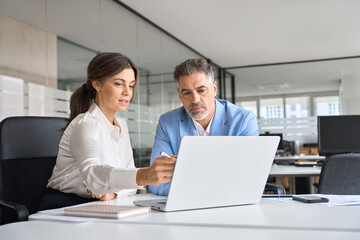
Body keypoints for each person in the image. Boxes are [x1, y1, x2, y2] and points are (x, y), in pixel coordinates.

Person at [38, 52, 176, 210]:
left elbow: (130, 186)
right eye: (119, 84)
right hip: (63, 205)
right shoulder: (85, 124)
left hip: (103, 204)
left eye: (131, 85)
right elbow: (92, 174)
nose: (127, 92)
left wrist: (113, 194)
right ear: (97, 84)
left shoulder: (121, 125)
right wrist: (144, 176)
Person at [149, 58, 259, 196]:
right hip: (183, 208)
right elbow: (156, 181)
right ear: (180, 95)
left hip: (231, 205)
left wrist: (188, 179)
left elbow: (249, 176)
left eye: (201, 90)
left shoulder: (243, 120)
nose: (195, 100)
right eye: (187, 93)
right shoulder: (167, 123)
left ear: (214, 89)